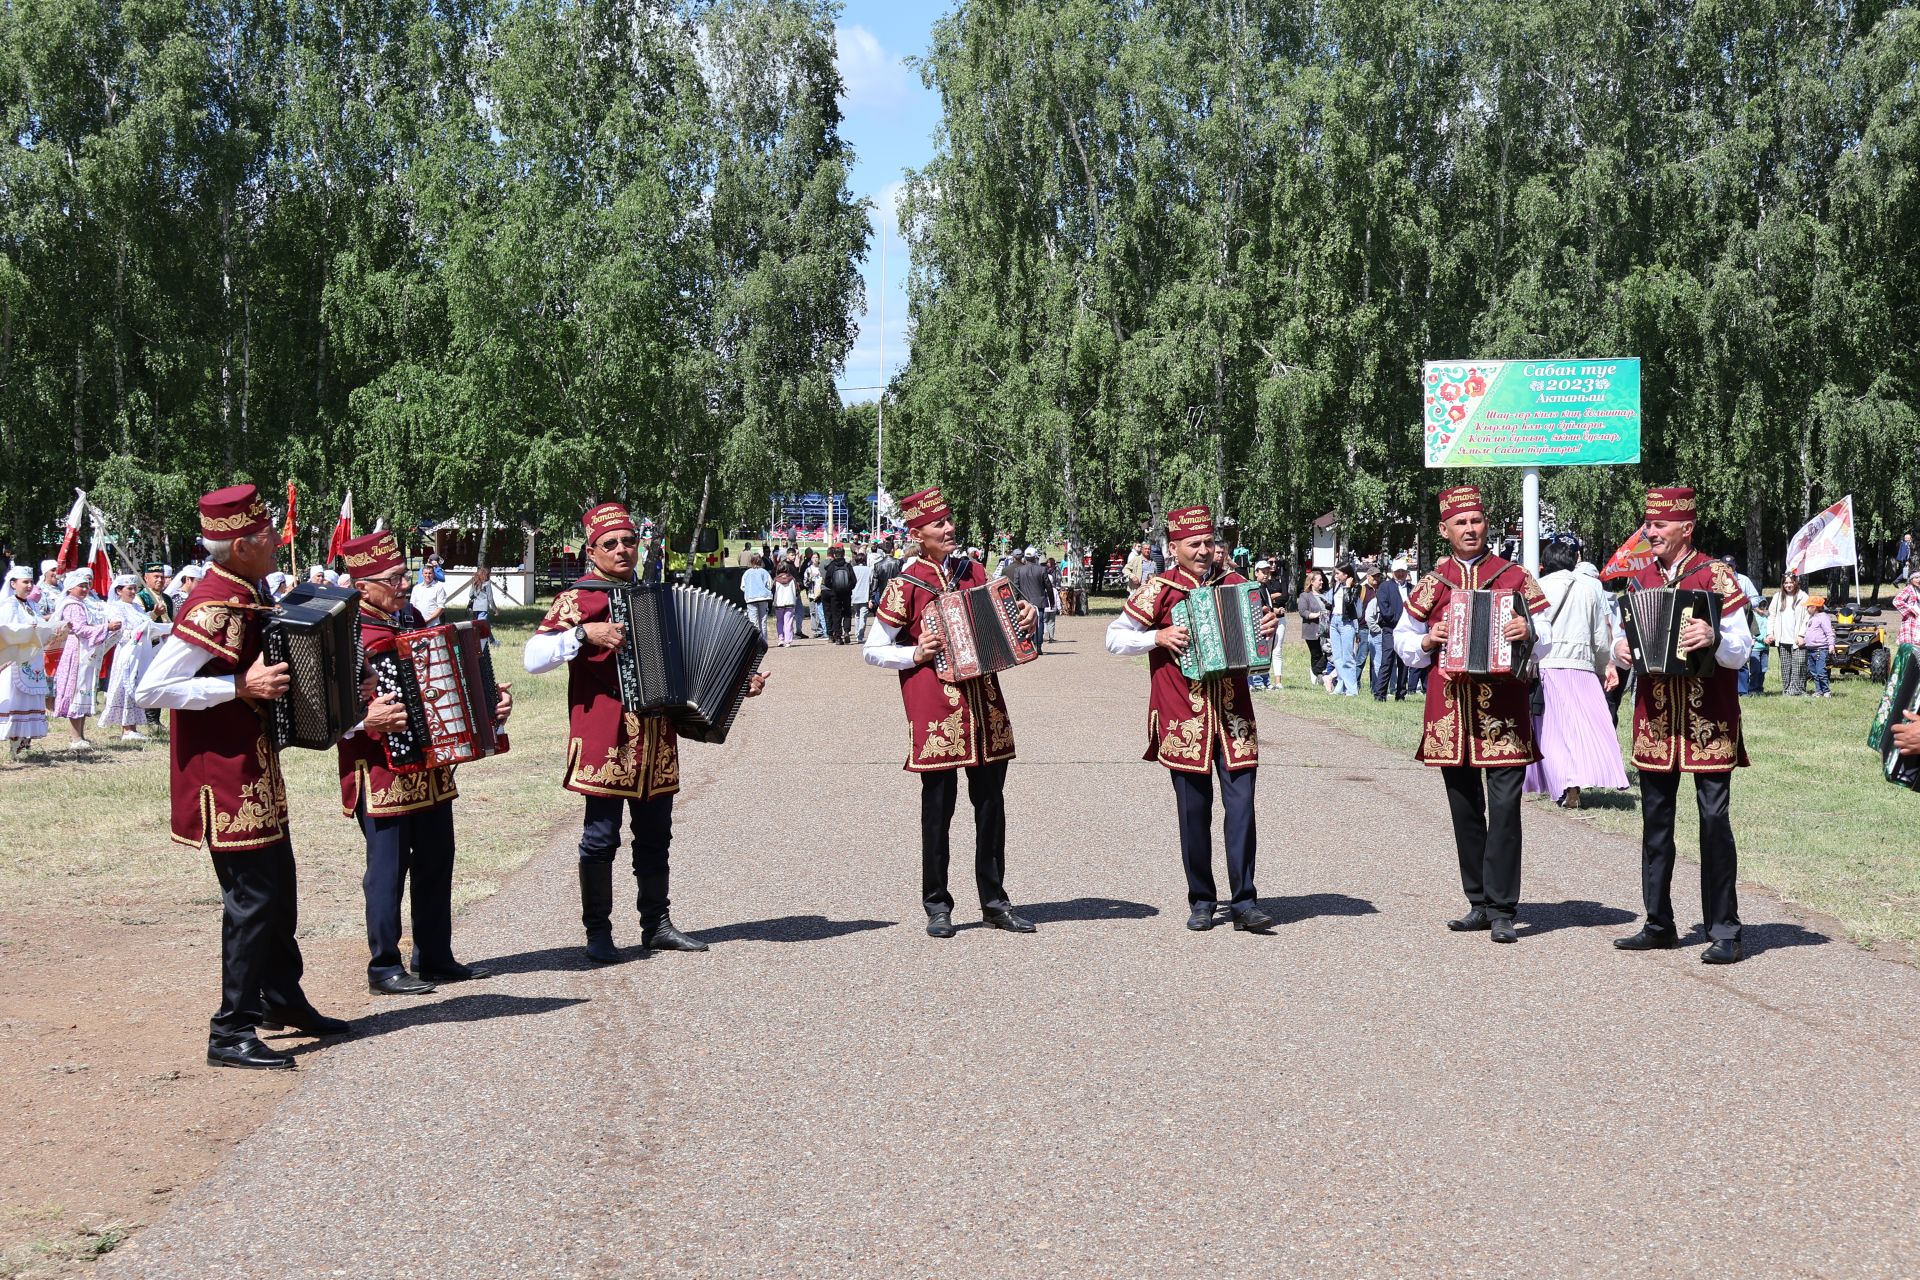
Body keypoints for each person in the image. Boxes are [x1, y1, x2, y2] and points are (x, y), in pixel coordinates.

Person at [135, 483, 350, 1068]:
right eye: (267, 536)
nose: (278, 544)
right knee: (252, 899)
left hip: (254, 770)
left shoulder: (246, 592)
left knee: (278, 889)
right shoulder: (211, 604)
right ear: (242, 545)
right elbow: (150, 688)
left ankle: (282, 999)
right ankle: (230, 1030)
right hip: (222, 777)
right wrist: (236, 686)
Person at [524, 502, 767, 963]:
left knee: (657, 836)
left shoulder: (654, 596)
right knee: (601, 837)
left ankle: (656, 924)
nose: (622, 550)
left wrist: (739, 685)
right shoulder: (580, 599)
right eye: (610, 543)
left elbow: (689, 665)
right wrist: (581, 636)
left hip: (656, 741)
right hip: (607, 737)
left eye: (629, 541)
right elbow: (533, 657)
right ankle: (598, 933)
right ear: (591, 551)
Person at [339, 530, 512, 993]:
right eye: (394, 578)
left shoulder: (411, 618)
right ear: (363, 588)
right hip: (381, 770)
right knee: (387, 869)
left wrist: (486, 706)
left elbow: (447, 679)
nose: (404, 584)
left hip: (431, 767)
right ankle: (384, 966)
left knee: (438, 858)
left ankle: (435, 954)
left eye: (405, 575)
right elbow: (322, 710)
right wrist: (364, 717)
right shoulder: (345, 633)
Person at [864, 486, 1039, 939]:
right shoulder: (905, 586)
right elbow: (873, 649)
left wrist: (1027, 615)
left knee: (991, 807)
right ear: (917, 533)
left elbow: (1004, 621)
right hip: (936, 708)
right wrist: (915, 652)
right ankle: (937, 904)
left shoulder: (974, 571)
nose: (949, 528)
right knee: (937, 809)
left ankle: (995, 902)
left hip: (984, 705)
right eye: (939, 524)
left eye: (949, 520)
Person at [1105, 505, 1279, 933]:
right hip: (1183, 716)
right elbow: (1113, 637)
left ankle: (1244, 901)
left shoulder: (1238, 585)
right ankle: (1202, 899)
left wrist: (1268, 631)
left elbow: (1259, 639)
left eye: (1208, 543)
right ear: (1175, 547)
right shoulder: (1159, 590)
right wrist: (1157, 637)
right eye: (1193, 544)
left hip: (1234, 714)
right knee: (1193, 812)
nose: (1203, 552)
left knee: (1241, 807)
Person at [1392, 485, 1552, 944]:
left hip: (1503, 711)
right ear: (1444, 531)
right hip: (1451, 713)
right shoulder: (1433, 582)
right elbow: (1405, 637)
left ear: (1487, 526)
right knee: (1464, 809)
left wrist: (1529, 629)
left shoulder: (1514, 576)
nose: (1470, 529)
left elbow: (1550, 636)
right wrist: (1427, 639)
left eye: (1476, 521)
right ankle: (1477, 901)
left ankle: (1503, 907)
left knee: (1504, 809)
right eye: (1460, 523)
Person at [1611, 487, 1754, 964]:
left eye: (1659, 525)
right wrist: (1621, 651)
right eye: (1648, 524)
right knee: (1656, 824)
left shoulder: (1716, 575)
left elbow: (1741, 647)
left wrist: (1712, 637)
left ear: (1685, 528)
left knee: (1713, 821)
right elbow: (1621, 635)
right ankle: (1659, 923)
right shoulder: (1640, 579)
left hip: (1707, 720)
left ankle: (1724, 929)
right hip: (1655, 720)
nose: (1649, 532)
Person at [1523, 540, 1628, 808]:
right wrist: (1605, 666)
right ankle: (1575, 783)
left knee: (1552, 730)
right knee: (1584, 728)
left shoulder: (1539, 587)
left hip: (1547, 665)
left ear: (1545, 563)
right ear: (1573, 562)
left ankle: (1561, 784)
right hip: (1581, 667)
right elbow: (1601, 638)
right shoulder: (1590, 590)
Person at [50, 570, 121, 749]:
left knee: (83, 689)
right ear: (70, 588)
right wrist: (106, 627)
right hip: (76, 650)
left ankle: (80, 735)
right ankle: (75, 737)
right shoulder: (72, 605)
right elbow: (80, 629)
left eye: (86, 586)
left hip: (83, 649)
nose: (84, 589)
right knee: (77, 689)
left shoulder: (80, 604)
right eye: (80, 586)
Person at [1, 564, 53, 757]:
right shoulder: (8, 604)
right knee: (17, 702)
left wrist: (54, 626)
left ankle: (25, 742)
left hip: (33, 659)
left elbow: (41, 624)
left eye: (31, 582)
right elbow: (7, 630)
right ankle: (15, 745)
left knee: (30, 701)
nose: (30, 586)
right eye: (25, 582)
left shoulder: (31, 604)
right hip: (15, 660)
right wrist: (29, 628)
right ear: (13, 584)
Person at [100, 575, 158, 740]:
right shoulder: (115, 607)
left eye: (134, 588)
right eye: (129, 589)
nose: (133, 592)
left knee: (135, 686)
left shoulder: (137, 608)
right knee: (125, 685)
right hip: (127, 652)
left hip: (140, 652)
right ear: (119, 591)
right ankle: (126, 728)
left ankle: (133, 726)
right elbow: (120, 632)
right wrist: (136, 634)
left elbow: (147, 623)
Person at [1373, 559, 1411, 700]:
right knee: (1387, 661)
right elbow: (1385, 609)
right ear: (1392, 572)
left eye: (1403, 571)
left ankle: (1401, 694)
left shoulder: (1412, 588)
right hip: (1390, 629)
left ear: (1406, 572)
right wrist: (1399, 621)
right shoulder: (1385, 587)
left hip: (1407, 631)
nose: (1400, 574)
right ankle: (1380, 694)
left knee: (1404, 662)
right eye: (1397, 571)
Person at [1769, 572, 1809, 696]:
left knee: (1799, 665)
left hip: (1798, 638)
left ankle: (1799, 690)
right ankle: (1787, 690)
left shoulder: (1803, 596)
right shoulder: (1777, 596)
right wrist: (1770, 633)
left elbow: (1807, 618)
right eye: (1785, 583)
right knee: (1786, 668)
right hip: (1782, 638)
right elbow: (1772, 616)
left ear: (1795, 582)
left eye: (1791, 582)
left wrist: (1802, 635)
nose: (1788, 585)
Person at [1326, 563, 1360, 696]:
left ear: (1346, 575)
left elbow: (1349, 602)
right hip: (1334, 621)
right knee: (1337, 657)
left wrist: (1347, 587)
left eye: (1338, 573)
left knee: (1348, 657)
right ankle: (1340, 685)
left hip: (1346, 622)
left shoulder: (1355, 587)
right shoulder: (1336, 586)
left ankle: (1352, 689)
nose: (1336, 576)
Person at [1011, 546, 1052, 656]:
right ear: (1035, 557)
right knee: (1040, 623)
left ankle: (1029, 645)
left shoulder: (1019, 570)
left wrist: (1015, 601)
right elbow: (1048, 586)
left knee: (1027, 623)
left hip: (1025, 602)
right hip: (1039, 601)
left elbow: (1016, 588)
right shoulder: (1042, 569)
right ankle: (1038, 645)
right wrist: (1051, 601)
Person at [1295, 570, 1328, 689]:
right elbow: (1303, 612)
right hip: (1311, 629)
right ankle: (1317, 674)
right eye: (1319, 580)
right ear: (1312, 582)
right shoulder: (1305, 595)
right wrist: (1318, 614)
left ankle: (1317, 672)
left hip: (1326, 630)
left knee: (1328, 652)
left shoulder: (1325, 595)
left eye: (1322, 580)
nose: (1322, 582)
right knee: (1316, 654)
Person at [824, 544, 856, 644]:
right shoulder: (848, 565)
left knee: (836, 614)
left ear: (834, 555)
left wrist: (833, 587)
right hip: (846, 593)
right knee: (847, 613)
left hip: (835, 594)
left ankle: (838, 636)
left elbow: (827, 581)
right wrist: (848, 588)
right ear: (843, 554)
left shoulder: (832, 566)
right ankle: (846, 631)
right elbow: (854, 580)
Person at [1801, 596, 1834, 697]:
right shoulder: (1812, 618)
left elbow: (1829, 632)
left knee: (1821, 671)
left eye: (1808, 606)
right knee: (1814, 672)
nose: (1807, 608)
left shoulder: (1823, 617)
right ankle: (1819, 691)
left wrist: (1831, 645)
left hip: (1820, 649)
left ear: (1815, 607)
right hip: (1810, 649)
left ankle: (1826, 691)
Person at [741, 553, 774, 644]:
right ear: (761, 561)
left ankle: (756, 643)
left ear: (751, 561)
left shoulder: (747, 573)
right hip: (763, 598)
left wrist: (749, 591)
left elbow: (742, 587)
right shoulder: (764, 572)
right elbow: (770, 584)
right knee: (763, 621)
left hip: (751, 599)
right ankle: (764, 641)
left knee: (753, 622)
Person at [468, 565, 500, 648]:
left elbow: (470, 595)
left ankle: (492, 641)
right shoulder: (487, 583)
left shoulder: (475, 582)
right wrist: (495, 609)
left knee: (485, 625)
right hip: (483, 608)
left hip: (475, 608)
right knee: (482, 627)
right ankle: (480, 644)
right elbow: (490, 598)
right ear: (487, 574)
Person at [772, 560, 799, 647]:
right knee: (788, 622)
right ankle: (788, 641)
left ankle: (781, 639)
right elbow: (797, 590)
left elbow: (772, 591)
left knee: (779, 621)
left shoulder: (776, 580)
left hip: (779, 603)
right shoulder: (792, 579)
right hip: (790, 602)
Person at [1894, 570, 1920, 648]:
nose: (1919, 579)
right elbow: (1896, 601)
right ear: (1911, 579)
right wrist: (1910, 609)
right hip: (1910, 620)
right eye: (1916, 578)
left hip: (1918, 619)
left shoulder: (1918, 589)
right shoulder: (1908, 589)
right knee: (1909, 645)